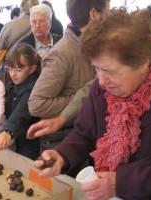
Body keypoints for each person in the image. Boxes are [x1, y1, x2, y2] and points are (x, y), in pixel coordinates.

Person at [35, 7, 151, 199]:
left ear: (143, 63)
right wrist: (62, 155)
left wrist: (121, 182)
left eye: (110, 71)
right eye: (96, 68)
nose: (101, 81)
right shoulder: (100, 91)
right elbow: (84, 133)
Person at [28, 0, 108, 151]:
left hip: (88, 136)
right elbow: (37, 104)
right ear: (93, 14)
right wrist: (86, 101)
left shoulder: (94, 46)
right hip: (68, 142)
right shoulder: (62, 53)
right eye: (106, 12)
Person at [0, 44, 41, 160]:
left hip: (28, 141)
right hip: (14, 137)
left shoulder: (33, 89)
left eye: (19, 69)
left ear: (32, 69)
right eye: (10, 68)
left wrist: (8, 130)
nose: (13, 74)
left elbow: (21, 111)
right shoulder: (12, 84)